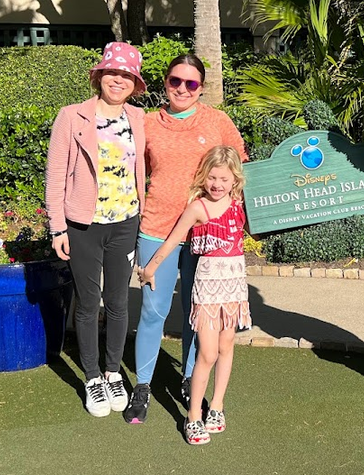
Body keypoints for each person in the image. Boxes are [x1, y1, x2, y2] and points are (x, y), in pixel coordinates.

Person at [124, 54, 249, 424]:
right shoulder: (146, 123)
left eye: (191, 84)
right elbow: (127, 171)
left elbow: (241, 169)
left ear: (201, 87)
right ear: (165, 82)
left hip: (206, 239)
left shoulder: (217, 121)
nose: (182, 89)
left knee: (197, 315)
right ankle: (143, 386)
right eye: (175, 81)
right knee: (152, 311)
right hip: (157, 227)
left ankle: (190, 377)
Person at [45, 42, 147, 417]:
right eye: (112, 73)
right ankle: (91, 378)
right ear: (99, 76)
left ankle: (112, 372)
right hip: (82, 226)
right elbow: (56, 176)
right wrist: (58, 229)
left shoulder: (138, 119)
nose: (118, 80)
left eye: (126, 75)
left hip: (126, 224)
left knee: (118, 303)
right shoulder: (72, 117)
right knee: (88, 305)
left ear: (134, 84)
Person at [137, 145, 251, 445]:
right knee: (208, 352)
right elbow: (173, 239)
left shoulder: (240, 205)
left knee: (227, 346)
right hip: (208, 288)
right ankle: (193, 416)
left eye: (224, 179)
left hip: (234, 285)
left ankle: (217, 406)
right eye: (212, 177)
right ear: (204, 177)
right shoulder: (198, 207)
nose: (217, 184)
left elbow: (261, 227)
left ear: (234, 180)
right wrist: (151, 268)